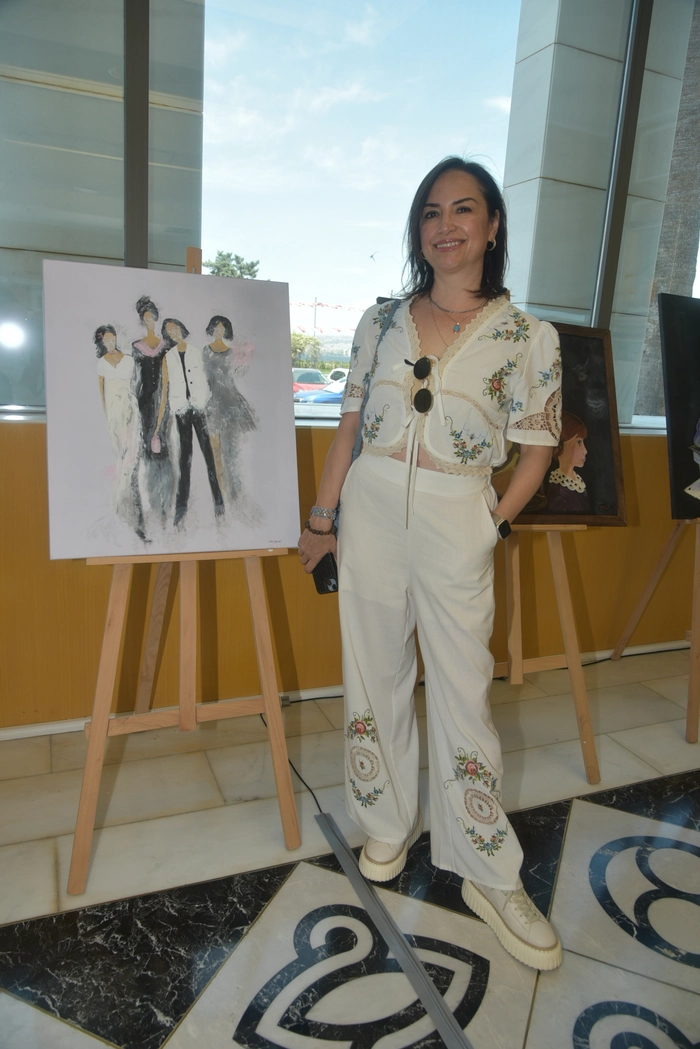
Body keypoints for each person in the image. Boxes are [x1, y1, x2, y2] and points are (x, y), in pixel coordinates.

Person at [298, 157, 563, 971]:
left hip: (459, 517)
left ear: (491, 225)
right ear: (419, 229)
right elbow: (348, 428)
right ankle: (384, 822)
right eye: (431, 212)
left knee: (463, 691)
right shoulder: (380, 321)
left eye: (463, 209)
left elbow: (538, 450)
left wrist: (491, 521)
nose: (446, 226)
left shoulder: (529, 337)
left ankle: (487, 868)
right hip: (371, 507)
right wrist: (320, 518)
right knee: (373, 673)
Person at [154, 318, 225, 526]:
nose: (173, 333)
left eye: (175, 329)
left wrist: (204, 402)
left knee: (209, 456)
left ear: (181, 329)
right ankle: (181, 510)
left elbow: (207, 380)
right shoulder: (168, 357)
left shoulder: (196, 352)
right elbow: (165, 388)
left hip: (199, 408)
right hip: (181, 411)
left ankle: (219, 504)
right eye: (169, 331)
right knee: (184, 460)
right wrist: (162, 419)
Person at [94, 324, 146, 540]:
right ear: (101, 342)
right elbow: (102, 393)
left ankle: (129, 506)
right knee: (120, 458)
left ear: (116, 338)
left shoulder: (129, 360)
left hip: (130, 409)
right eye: (105, 339)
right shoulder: (101, 363)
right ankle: (120, 507)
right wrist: (109, 417)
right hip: (114, 414)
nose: (110, 342)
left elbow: (135, 385)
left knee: (131, 457)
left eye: (112, 338)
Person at [202, 314, 257, 508]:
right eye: (216, 327)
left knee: (231, 451)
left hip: (231, 404)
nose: (219, 331)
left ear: (226, 330)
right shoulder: (205, 351)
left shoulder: (232, 353)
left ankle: (234, 493)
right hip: (213, 403)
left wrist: (246, 358)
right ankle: (220, 493)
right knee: (215, 452)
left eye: (222, 328)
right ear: (212, 329)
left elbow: (238, 374)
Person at [131, 296, 175, 523]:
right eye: (145, 318)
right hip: (144, 401)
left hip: (163, 399)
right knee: (147, 446)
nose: (149, 321)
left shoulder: (165, 345)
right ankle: (152, 499)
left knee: (162, 444)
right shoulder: (136, 347)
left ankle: (165, 500)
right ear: (142, 320)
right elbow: (136, 378)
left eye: (152, 318)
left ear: (156, 319)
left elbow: (170, 377)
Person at [547, 411, 590, 513]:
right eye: (579, 442)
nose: (585, 450)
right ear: (560, 445)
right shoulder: (559, 495)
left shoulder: (576, 482)